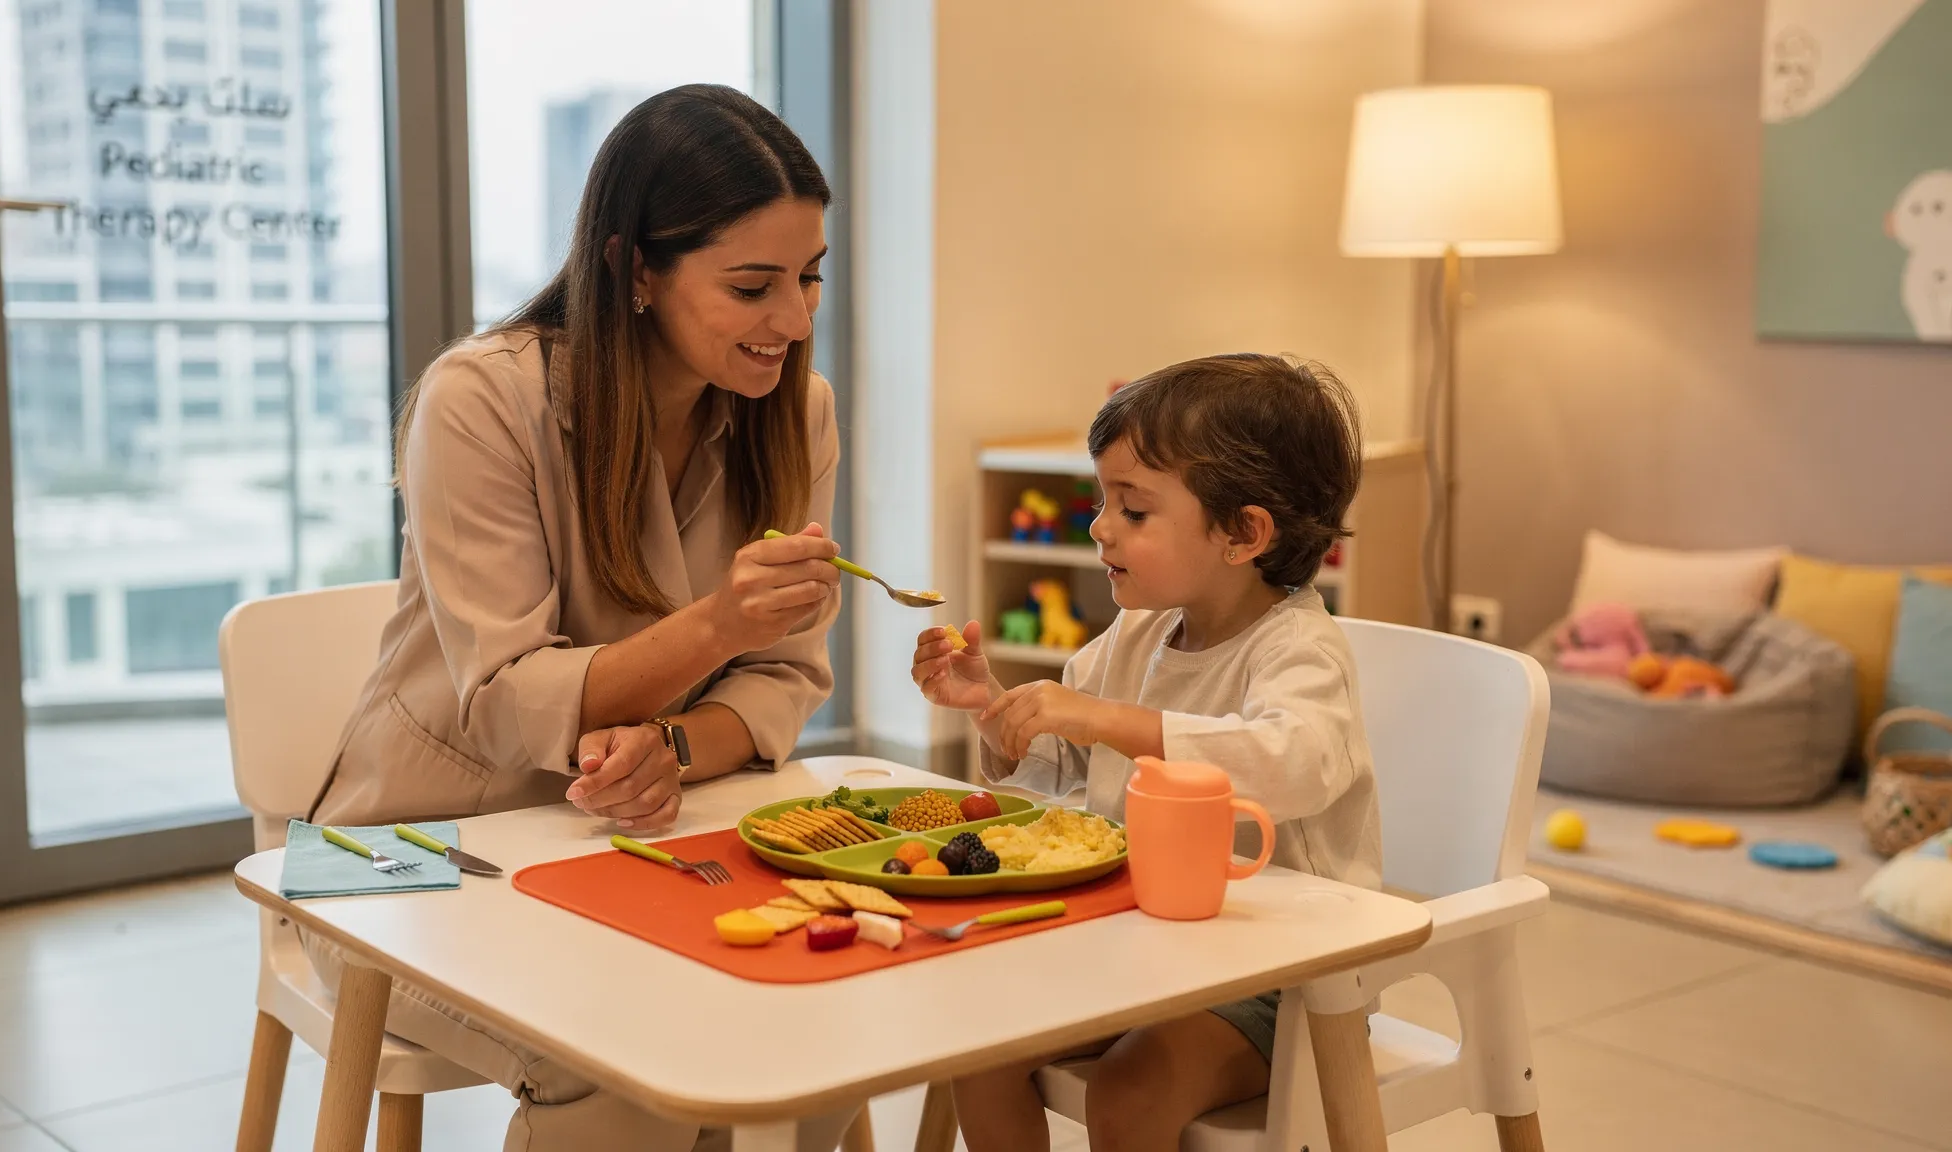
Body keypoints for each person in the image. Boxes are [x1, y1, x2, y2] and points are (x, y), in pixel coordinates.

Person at [303, 84, 856, 1151]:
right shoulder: (481, 399)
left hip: (629, 839)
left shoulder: (797, 412)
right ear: (633, 269)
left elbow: (782, 680)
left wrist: (671, 746)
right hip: (408, 852)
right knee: (623, 1063)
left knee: (825, 1017)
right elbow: (514, 710)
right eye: (752, 286)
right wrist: (715, 629)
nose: (792, 321)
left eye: (809, 278)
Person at [910, 353, 1383, 1152]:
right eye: (1103, 500)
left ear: (1243, 533)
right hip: (1140, 949)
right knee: (981, 1049)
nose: (1099, 526)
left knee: (1130, 1096)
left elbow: (1291, 764)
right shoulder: (1137, 632)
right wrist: (996, 714)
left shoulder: (1299, 650)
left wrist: (1108, 720)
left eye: (1133, 510)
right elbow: (1067, 773)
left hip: (1279, 978)